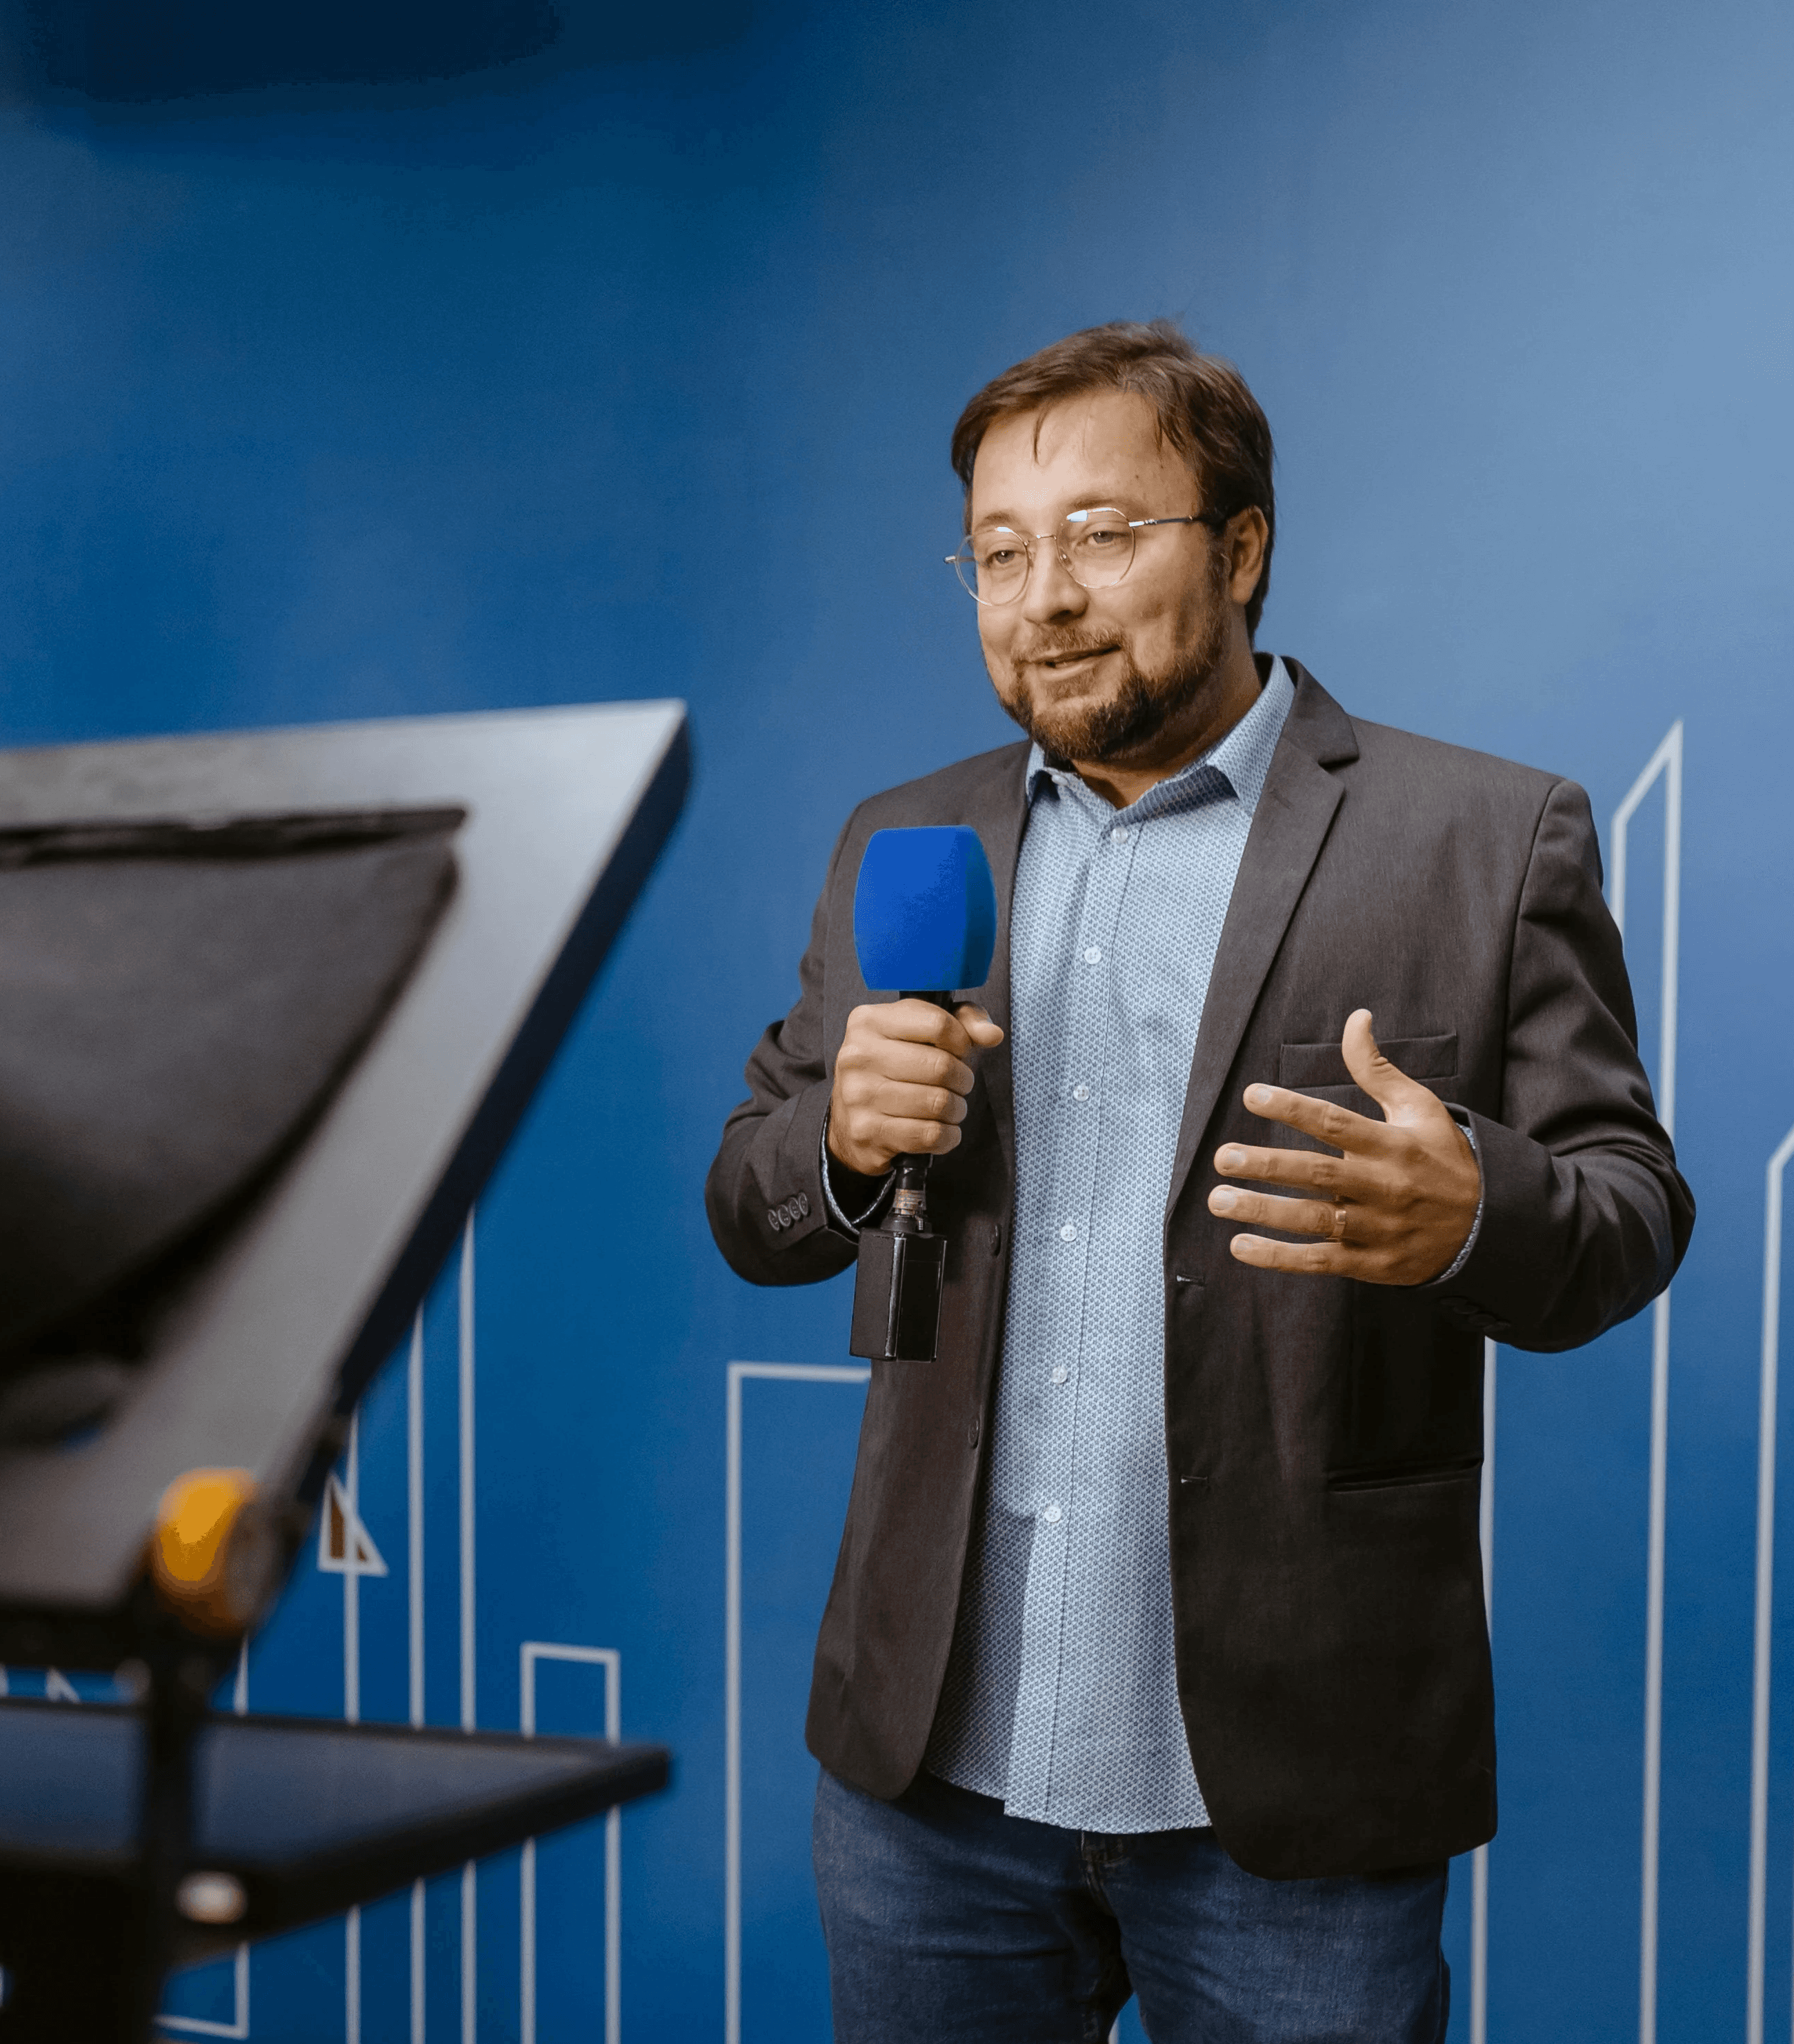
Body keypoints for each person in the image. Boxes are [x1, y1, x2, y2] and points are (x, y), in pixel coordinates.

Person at [703, 321, 1690, 2043]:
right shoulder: (904, 841)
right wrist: (840, 1145)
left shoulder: (1476, 833)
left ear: (1237, 548)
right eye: (997, 556)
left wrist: (1471, 1213)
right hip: (926, 1776)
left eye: (1101, 534)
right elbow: (750, 1200)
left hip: (1291, 1788)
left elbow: (1627, 1203)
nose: (1043, 596)